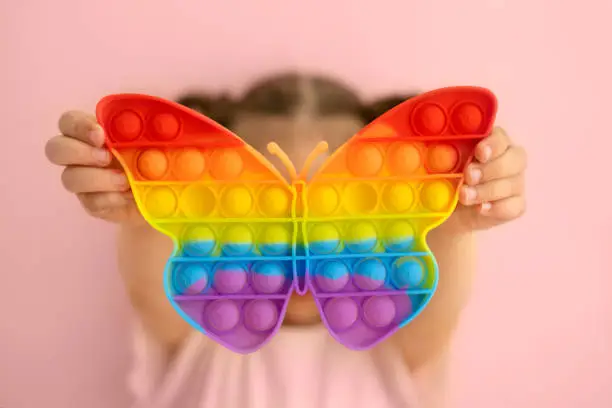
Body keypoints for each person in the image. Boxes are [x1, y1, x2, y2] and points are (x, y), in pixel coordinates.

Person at [44, 73, 527, 408]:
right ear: (206, 208)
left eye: (338, 204)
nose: (300, 233)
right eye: (262, 202)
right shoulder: (199, 342)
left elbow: (445, 284)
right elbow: (150, 282)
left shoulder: (395, 349)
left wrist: (461, 214)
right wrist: (141, 206)